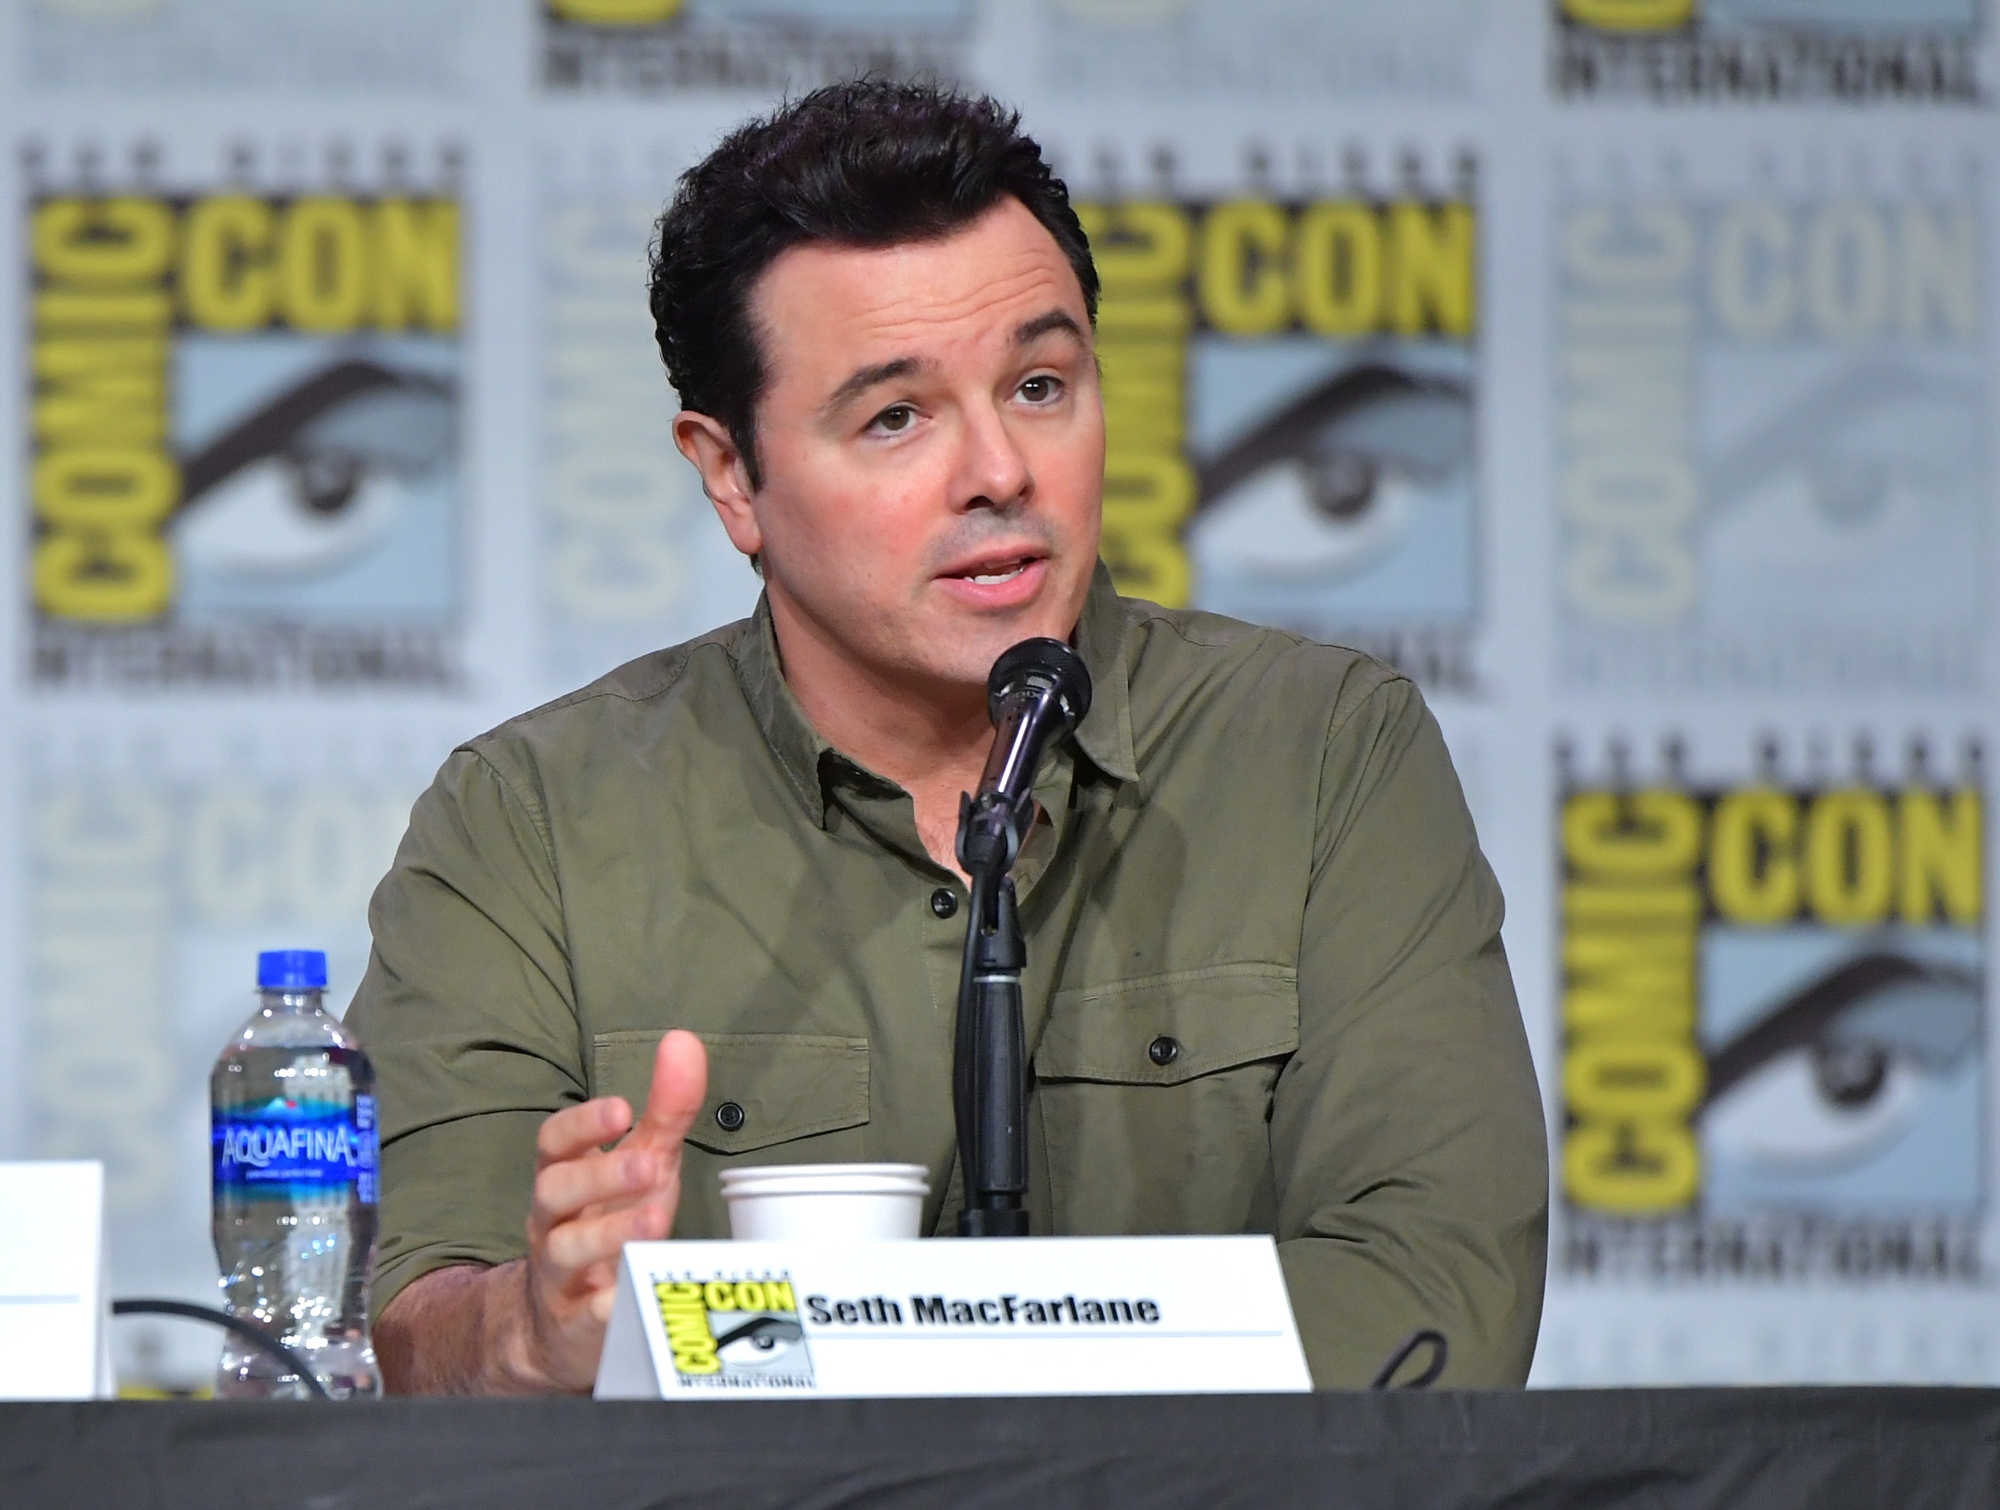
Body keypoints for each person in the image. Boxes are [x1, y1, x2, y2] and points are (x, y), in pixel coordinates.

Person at [348, 79, 1548, 1395]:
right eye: (896, 416)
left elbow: (1438, 1307)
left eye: (1040, 384)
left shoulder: (1324, 757)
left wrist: (867, 1359)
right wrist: (538, 1325)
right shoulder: (530, 822)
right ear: (731, 475)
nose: (1000, 469)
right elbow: (412, 1325)